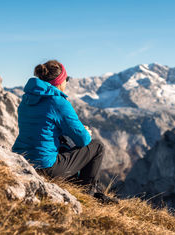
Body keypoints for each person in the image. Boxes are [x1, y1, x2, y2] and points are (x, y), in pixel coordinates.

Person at [12, 60, 118, 204]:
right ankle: (88, 192)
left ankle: (85, 188)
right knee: (97, 146)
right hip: (45, 166)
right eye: (66, 79)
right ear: (59, 82)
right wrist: (85, 131)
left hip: (22, 160)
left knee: (64, 144)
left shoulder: (26, 99)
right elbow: (83, 140)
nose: (67, 83)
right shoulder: (58, 102)